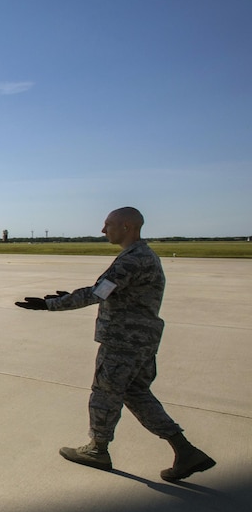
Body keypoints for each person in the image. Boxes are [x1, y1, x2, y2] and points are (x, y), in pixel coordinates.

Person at [15, 207, 215, 482]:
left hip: (124, 341)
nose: (102, 229)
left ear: (126, 227)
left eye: (108, 224)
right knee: (136, 394)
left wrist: (51, 305)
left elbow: (99, 292)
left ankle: (97, 450)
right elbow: (112, 292)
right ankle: (186, 451)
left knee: (105, 394)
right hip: (141, 341)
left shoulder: (133, 259)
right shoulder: (142, 256)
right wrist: (72, 296)